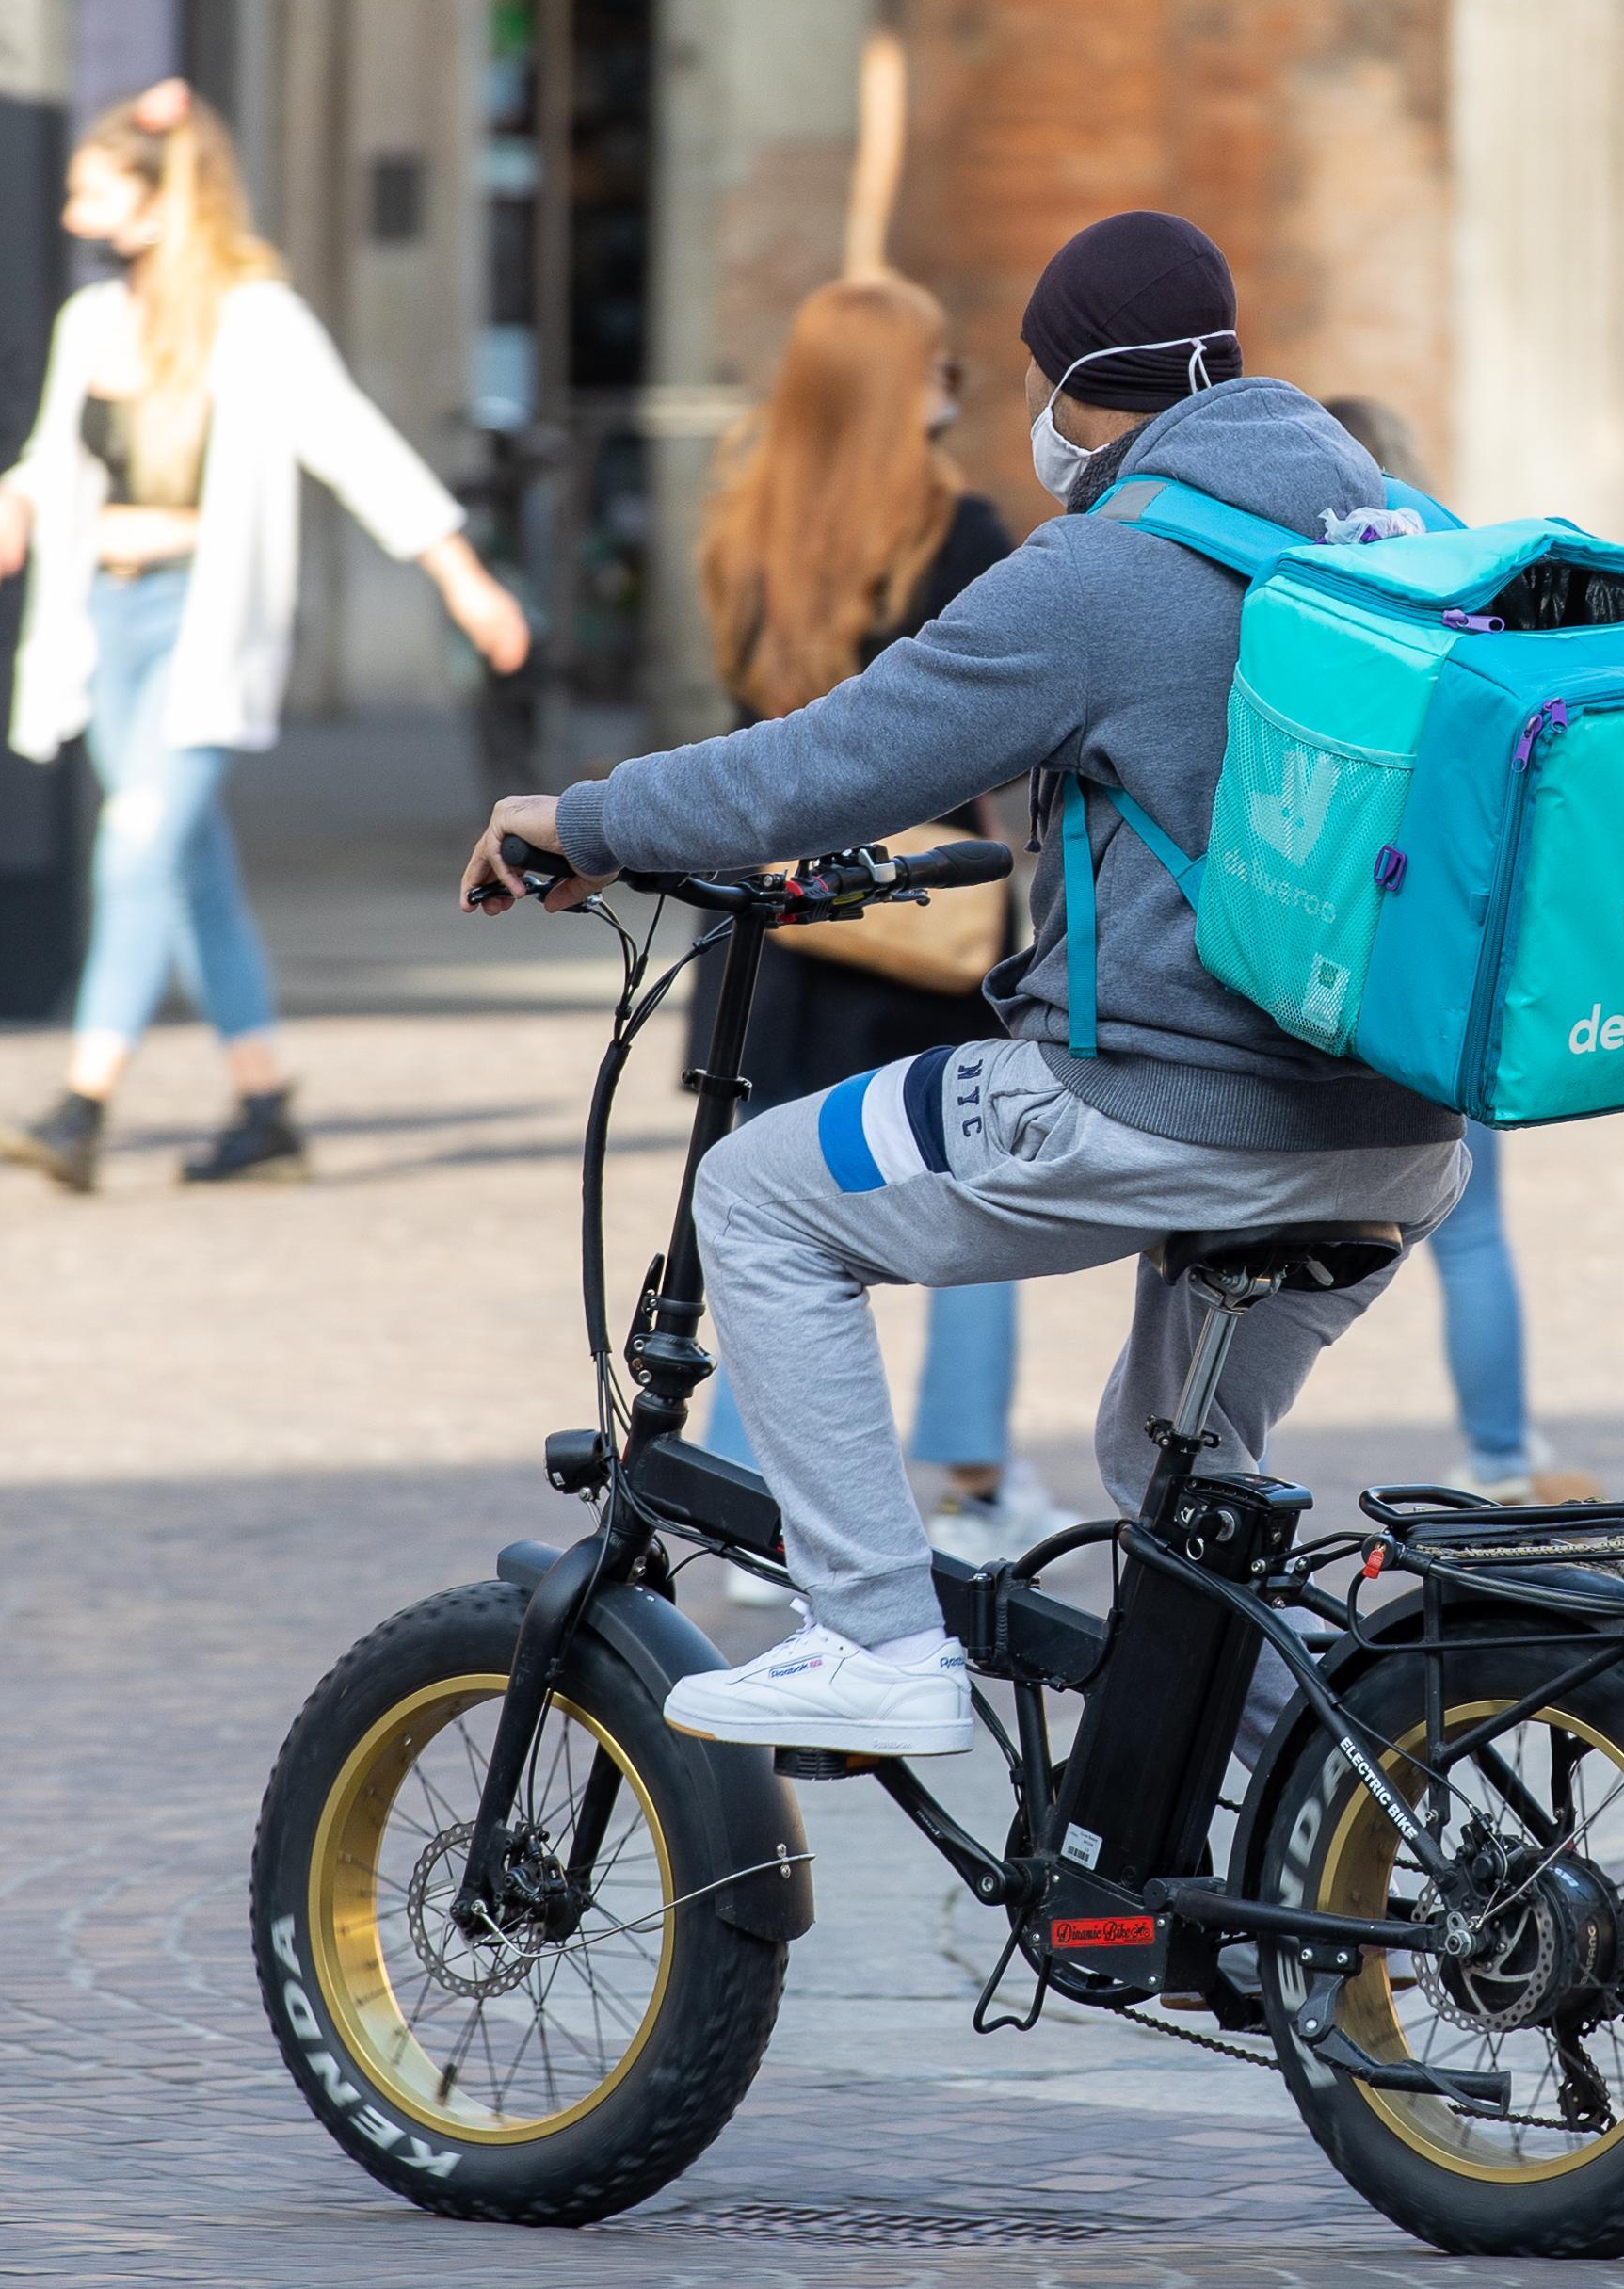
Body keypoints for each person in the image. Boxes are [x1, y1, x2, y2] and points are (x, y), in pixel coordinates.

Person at [468, 213, 1468, 1757]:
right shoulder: (1397, 527)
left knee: (756, 1194)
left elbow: (829, 764)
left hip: (1150, 1106)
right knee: (1165, 1476)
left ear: (1067, 388)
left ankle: (871, 1636)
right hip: (1397, 1136)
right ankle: (1338, 1809)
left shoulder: (1102, 568)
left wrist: (582, 820)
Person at [0, 79, 530, 1193]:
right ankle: (266, 1105)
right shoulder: (93, 321)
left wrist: (462, 578)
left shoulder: (255, 318)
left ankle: (83, 1105)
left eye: (92, 191)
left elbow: (355, 445)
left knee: (134, 848)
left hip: (197, 623)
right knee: (185, 867)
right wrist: (8, 501)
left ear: (162, 200)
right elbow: (55, 456)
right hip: (105, 618)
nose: (73, 215)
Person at [686, 275, 1042, 1590]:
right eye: (940, 363)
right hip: (914, 918)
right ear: (912, 388)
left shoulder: (742, 528)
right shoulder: (957, 533)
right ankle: (965, 1479)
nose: (955, 381)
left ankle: (746, 1502)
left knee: (762, 1214)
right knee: (972, 1191)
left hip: (768, 920)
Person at [1319, 395, 1596, 1506]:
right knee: (1470, 1229)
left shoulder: (1300, 605)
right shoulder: (1472, 604)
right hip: (1453, 951)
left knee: (1238, 1226)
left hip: (1318, 945)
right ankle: (1498, 1454)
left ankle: (1194, 1461)